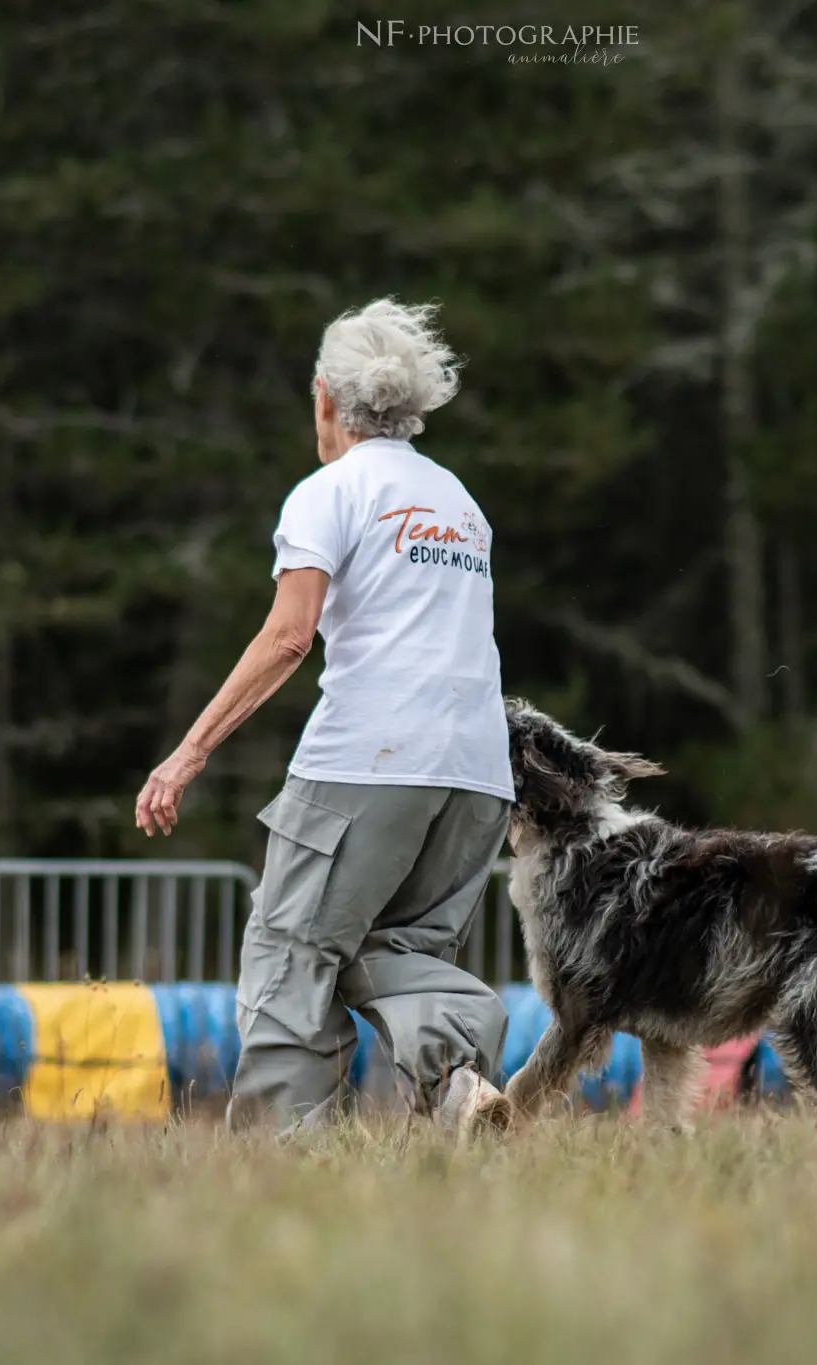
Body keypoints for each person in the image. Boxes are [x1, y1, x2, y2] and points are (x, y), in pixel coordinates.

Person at [135, 298, 515, 1139]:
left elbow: (288, 636)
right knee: (396, 950)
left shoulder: (330, 491)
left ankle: (279, 1167)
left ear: (325, 400)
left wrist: (188, 752)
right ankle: (458, 1078)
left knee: (291, 953)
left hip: (367, 762)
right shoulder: (460, 502)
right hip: (480, 773)